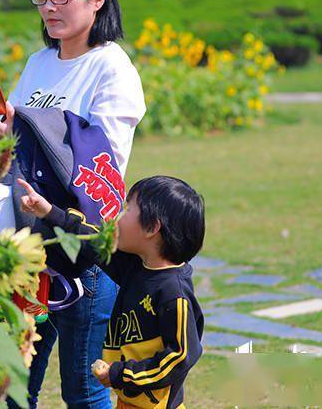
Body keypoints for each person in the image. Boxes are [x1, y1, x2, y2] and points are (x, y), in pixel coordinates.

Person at [0, 0, 146, 408]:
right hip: (29, 242)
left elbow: (100, 162)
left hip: (81, 246)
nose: (49, 7)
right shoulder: (39, 63)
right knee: (13, 382)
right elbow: (24, 142)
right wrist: (0, 129)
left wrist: (28, 128)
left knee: (84, 391)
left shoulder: (112, 68)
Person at [17, 175, 206, 409]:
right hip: (127, 401)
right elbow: (93, 241)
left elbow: (180, 357)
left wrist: (124, 374)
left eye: (128, 210)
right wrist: (49, 213)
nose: (118, 217)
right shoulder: (135, 266)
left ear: (152, 228)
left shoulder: (173, 294)